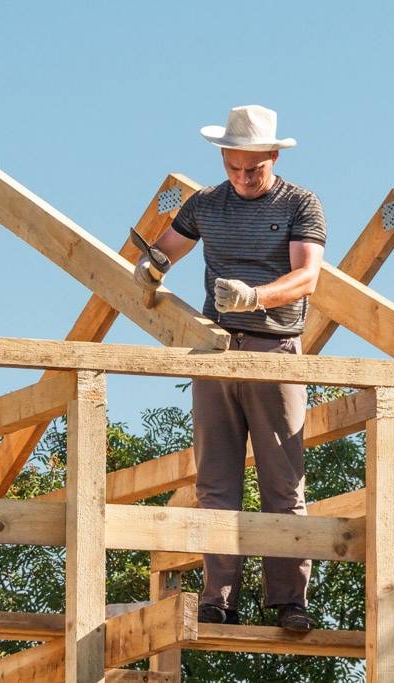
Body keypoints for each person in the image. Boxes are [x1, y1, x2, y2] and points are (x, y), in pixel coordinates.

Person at [134, 105, 326, 632]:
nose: (243, 178)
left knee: (283, 485)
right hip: (215, 351)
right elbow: (167, 248)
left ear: (272, 157)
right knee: (216, 482)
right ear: (223, 156)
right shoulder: (205, 204)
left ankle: (290, 601)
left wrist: (256, 295)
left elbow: (308, 277)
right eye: (234, 167)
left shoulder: (300, 203)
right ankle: (218, 599)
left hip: (274, 349)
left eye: (254, 169)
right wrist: (152, 264)